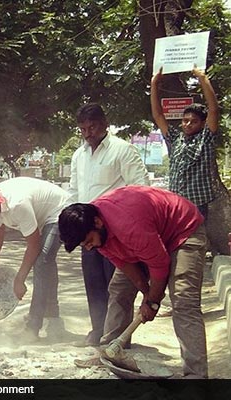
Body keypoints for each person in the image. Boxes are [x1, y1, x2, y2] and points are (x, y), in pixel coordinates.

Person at [58, 185, 208, 378]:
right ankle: (110, 351)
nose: (88, 248)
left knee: (183, 300)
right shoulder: (97, 232)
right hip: (149, 236)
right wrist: (146, 292)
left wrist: (152, 301)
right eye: (83, 245)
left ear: (97, 222)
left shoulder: (128, 225)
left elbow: (159, 264)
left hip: (183, 232)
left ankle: (195, 376)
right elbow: (125, 264)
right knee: (119, 289)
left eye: (88, 241)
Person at [67, 103, 149, 348]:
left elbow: (140, 188)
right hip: (88, 231)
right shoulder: (78, 155)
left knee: (118, 286)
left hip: (116, 231)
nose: (87, 133)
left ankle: (118, 339)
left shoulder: (123, 150)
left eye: (92, 127)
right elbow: (73, 190)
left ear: (104, 123)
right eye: (82, 129)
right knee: (93, 282)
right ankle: (97, 331)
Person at [0, 177, 71, 341]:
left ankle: (33, 328)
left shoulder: (17, 204)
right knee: (45, 265)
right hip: (41, 215)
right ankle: (54, 322)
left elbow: (34, 244)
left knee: (42, 261)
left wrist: (19, 279)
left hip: (59, 211)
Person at [151, 66, 219, 220]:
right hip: (175, 203)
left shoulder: (206, 138)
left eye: (193, 122)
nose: (188, 124)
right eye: (185, 120)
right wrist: (154, 83)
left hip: (198, 204)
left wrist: (202, 78)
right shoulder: (175, 138)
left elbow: (213, 110)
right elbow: (158, 115)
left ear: (202, 124)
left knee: (196, 241)